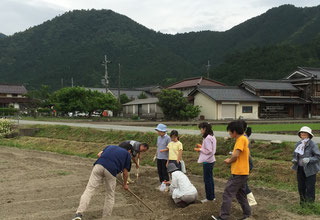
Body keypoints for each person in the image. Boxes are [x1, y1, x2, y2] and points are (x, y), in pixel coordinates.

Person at [72, 145, 131, 220]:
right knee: (110, 195)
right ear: (129, 151)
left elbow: (99, 154)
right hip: (112, 170)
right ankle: (106, 217)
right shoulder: (127, 154)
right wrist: (125, 184)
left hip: (99, 165)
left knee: (89, 190)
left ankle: (79, 214)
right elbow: (125, 172)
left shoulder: (110, 146)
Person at [212, 120, 251, 220]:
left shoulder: (240, 140)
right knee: (241, 195)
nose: (229, 133)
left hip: (238, 172)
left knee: (227, 193)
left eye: (229, 131)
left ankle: (223, 217)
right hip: (243, 172)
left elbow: (236, 155)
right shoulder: (244, 139)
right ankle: (247, 215)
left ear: (234, 132)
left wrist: (229, 160)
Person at [292, 126, 320, 205]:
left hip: (310, 169)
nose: (303, 135)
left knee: (310, 187)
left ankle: (310, 204)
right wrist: (295, 160)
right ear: (300, 135)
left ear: (309, 135)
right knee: (301, 186)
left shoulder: (313, 145)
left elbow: (318, 156)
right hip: (300, 168)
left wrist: (309, 159)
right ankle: (302, 203)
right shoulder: (298, 144)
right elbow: (295, 155)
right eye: (302, 134)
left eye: (305, 134)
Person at [194, 122, 216, 203]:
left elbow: (209, 150)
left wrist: (200, 149)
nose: (200, 130)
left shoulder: (207, 138)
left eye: (201, 128)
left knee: (207, 180)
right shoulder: (211, 136)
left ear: (205, 129)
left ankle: (209, 198)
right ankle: (212, 197)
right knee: (210, 179)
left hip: (208, 161)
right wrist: (202, 146)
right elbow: (210, 148)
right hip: (211, 160)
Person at [239, 120, 257, 206]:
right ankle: (245, 200)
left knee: (242, 183)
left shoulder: (244, 138)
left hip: (246, 162)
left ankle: (251, 201)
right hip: (246, 161)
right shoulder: (243, 137)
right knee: (241, 183)